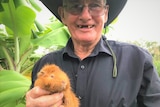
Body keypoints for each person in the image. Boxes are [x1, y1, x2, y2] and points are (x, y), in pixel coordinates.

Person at [26, 0, 160, 107]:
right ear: (62, 15)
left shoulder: (137, 60)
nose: (85, 16)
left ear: (106, 13)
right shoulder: (44, 65)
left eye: (95, 5)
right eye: (75, 5)